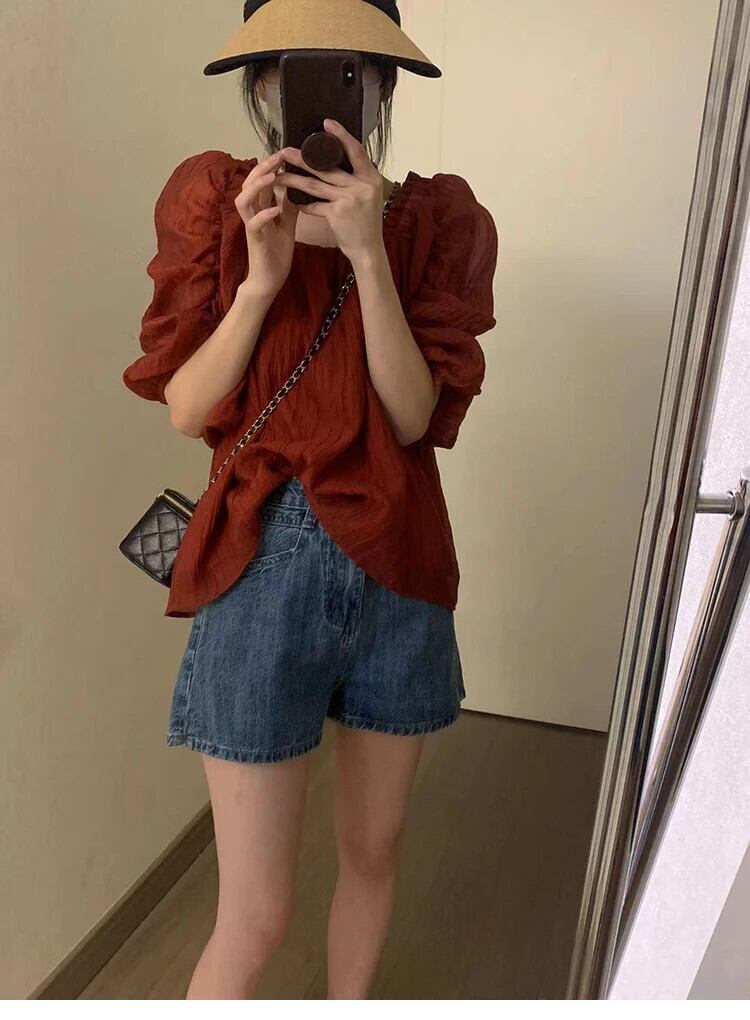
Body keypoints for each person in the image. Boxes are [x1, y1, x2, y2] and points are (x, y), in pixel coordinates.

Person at [122, 0, 498, 1000]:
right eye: (293, 70)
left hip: (400, 567)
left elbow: (411, 416)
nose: (328, 96)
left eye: (352, 71)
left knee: (373, 859)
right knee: (256, 914)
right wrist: (260, 281)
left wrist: (367, 254)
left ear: (381, 88)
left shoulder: (434, 224)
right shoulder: (214, 206)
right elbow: (187, 407)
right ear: (261, 88)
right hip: (258, 569)